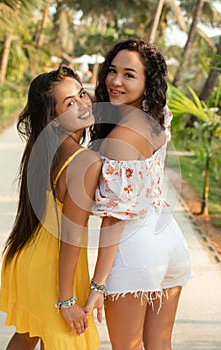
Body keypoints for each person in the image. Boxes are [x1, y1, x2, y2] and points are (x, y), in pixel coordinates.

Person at [84, 38, 193, 349]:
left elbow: (115, 219)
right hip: (170, 242)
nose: (116, 81)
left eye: (129, 75)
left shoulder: (122, 139)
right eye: (112, 71)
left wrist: (97, 285)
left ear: (147, 83)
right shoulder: (159, 114)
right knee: (160, 345)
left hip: (135, 251)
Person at [0, 64, 103, 350]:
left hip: (25, 260)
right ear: (54, 119)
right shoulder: (85, 162)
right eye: (70, 103)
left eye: (82, 94)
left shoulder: (43, 149)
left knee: (28, 335)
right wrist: (66, 300)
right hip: (55, 275)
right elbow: (70, 236)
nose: (83, 103)